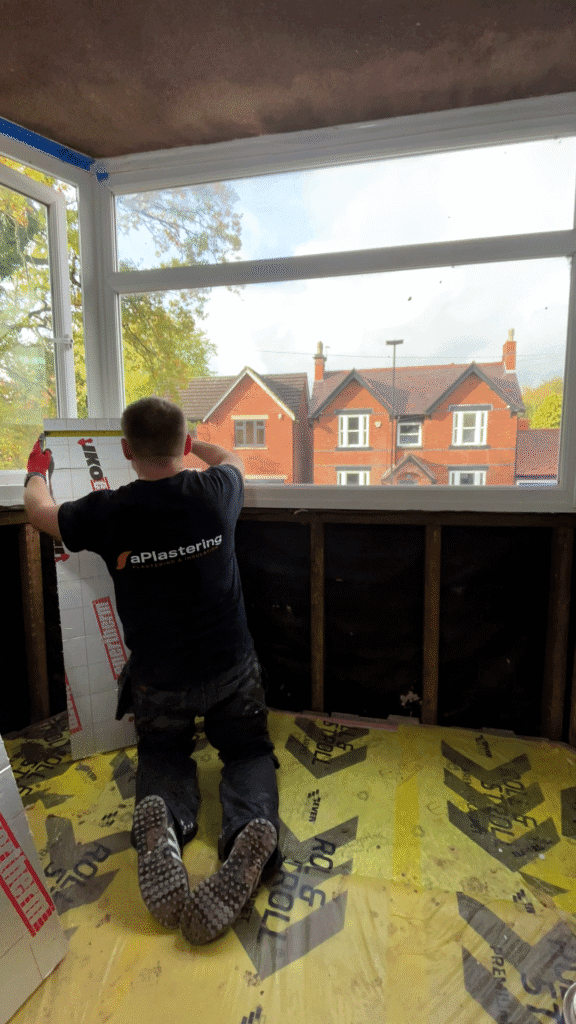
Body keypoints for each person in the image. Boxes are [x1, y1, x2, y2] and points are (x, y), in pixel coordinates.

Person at [23, 397, 282, 944]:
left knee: (164, 754)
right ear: (183, 446)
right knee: (248, 752)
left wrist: (36, 471)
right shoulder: (217, 493)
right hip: (232, 666)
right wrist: (198, 445)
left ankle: (163, 820)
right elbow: (229, 457)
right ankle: (249, 830)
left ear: (125, 451)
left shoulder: (108, 512)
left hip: (160, 680)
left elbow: (39, 512)